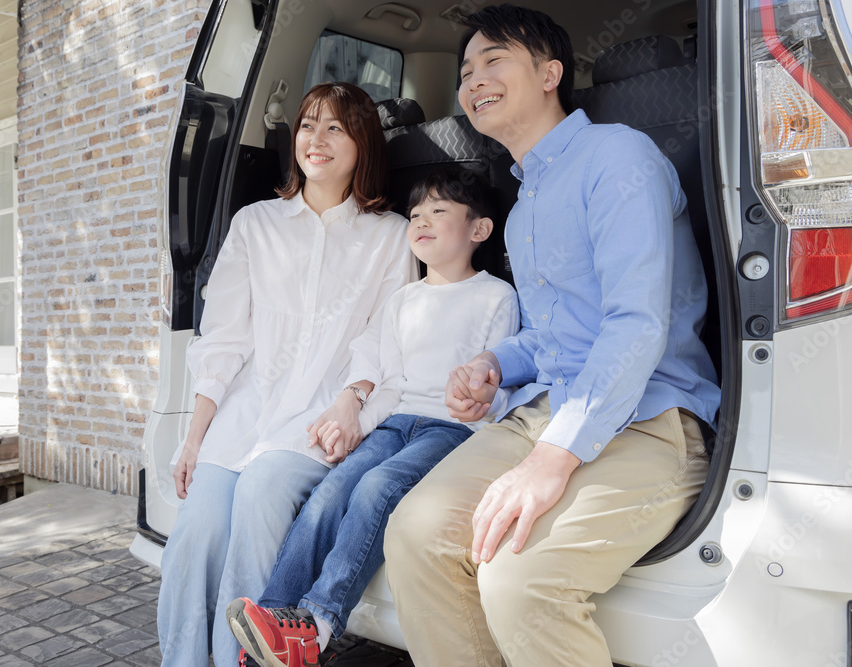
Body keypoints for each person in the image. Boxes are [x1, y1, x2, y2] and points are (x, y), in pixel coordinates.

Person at [383, 5, 722, 666]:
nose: (474, 79)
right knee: (414, 535)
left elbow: (635, 323)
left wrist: (553, 457)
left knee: (522, 581)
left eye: (494, 60)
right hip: (547, 410)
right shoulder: (524, 206)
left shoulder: (617, 156)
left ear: (549, 74)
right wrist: (494, 362)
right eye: (465, 71)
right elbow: (551, 336)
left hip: (652, 418)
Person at [156, 81, 418, 667]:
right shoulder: (255, 224)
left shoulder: (391, 236)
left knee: (260, 497)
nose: (315, 139)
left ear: (363, 144)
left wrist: (352, 402)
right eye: (307, 125)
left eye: (335, 127)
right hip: (244, 413)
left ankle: (243, 660)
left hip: (319, 418)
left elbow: (385, 344)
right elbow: (223, 339)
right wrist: (193, 439)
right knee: (197, 530)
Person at [226, 168, 521, 667]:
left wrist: (484, 400)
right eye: (415, 214)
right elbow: (391, 381)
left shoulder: (496, 296)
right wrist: (358, 427)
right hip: (396, 423)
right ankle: (273, 624)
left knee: (376, 487)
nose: (421, 221)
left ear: (479, 229)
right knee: (330, 493)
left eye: (438, 211)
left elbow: (502, 381)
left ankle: (317, 626)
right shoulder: (402, 300)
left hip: (453, 431)